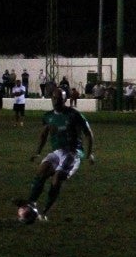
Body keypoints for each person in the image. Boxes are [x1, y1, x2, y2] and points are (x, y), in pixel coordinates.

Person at [17, 86, 95, 221]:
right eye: (54, 98)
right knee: (41, 171)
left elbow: (88, 134)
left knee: (57, 178)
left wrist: (89, 154)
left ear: (65, 100)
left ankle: (44, 212)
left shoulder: (74, 114)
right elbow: (43, 135)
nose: (56, 101)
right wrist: (38, 153)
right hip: (57, 152)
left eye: (59, 99)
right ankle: (31, 203)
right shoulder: (48, 116)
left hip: (73, 152)